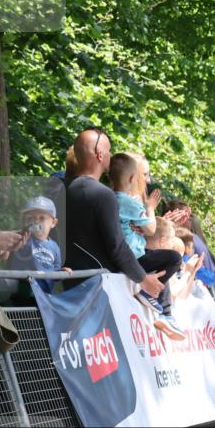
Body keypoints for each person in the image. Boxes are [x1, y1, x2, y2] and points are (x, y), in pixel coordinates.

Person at [63, 127, 167, 304]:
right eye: (109, 151)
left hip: (67, 283)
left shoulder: (60, 189)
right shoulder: (103, 195)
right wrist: (143, 279)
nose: (111, 156)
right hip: (98, 288)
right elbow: (117, 246)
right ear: (99, 154)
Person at [108, 153, 184, 339]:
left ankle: (166, 313)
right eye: (144, 174)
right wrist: (150, 208)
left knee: (163, 259)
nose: (148, 180)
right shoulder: (130, 202)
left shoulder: (110, 199)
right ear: (132, 177)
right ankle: (154, 300)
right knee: (174, 258)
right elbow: (151, 230)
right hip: (131, 257)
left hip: (127, 255)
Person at [6, 196, 72, 294]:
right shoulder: (22, 238)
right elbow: (6, 246)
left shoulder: (54, 247)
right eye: (30, 218)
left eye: (42, 218)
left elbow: (54, 272)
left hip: (44, 296)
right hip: (21, 293)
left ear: (53, 223)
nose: (36, 221)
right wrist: (20, 235)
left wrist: (61, 272)